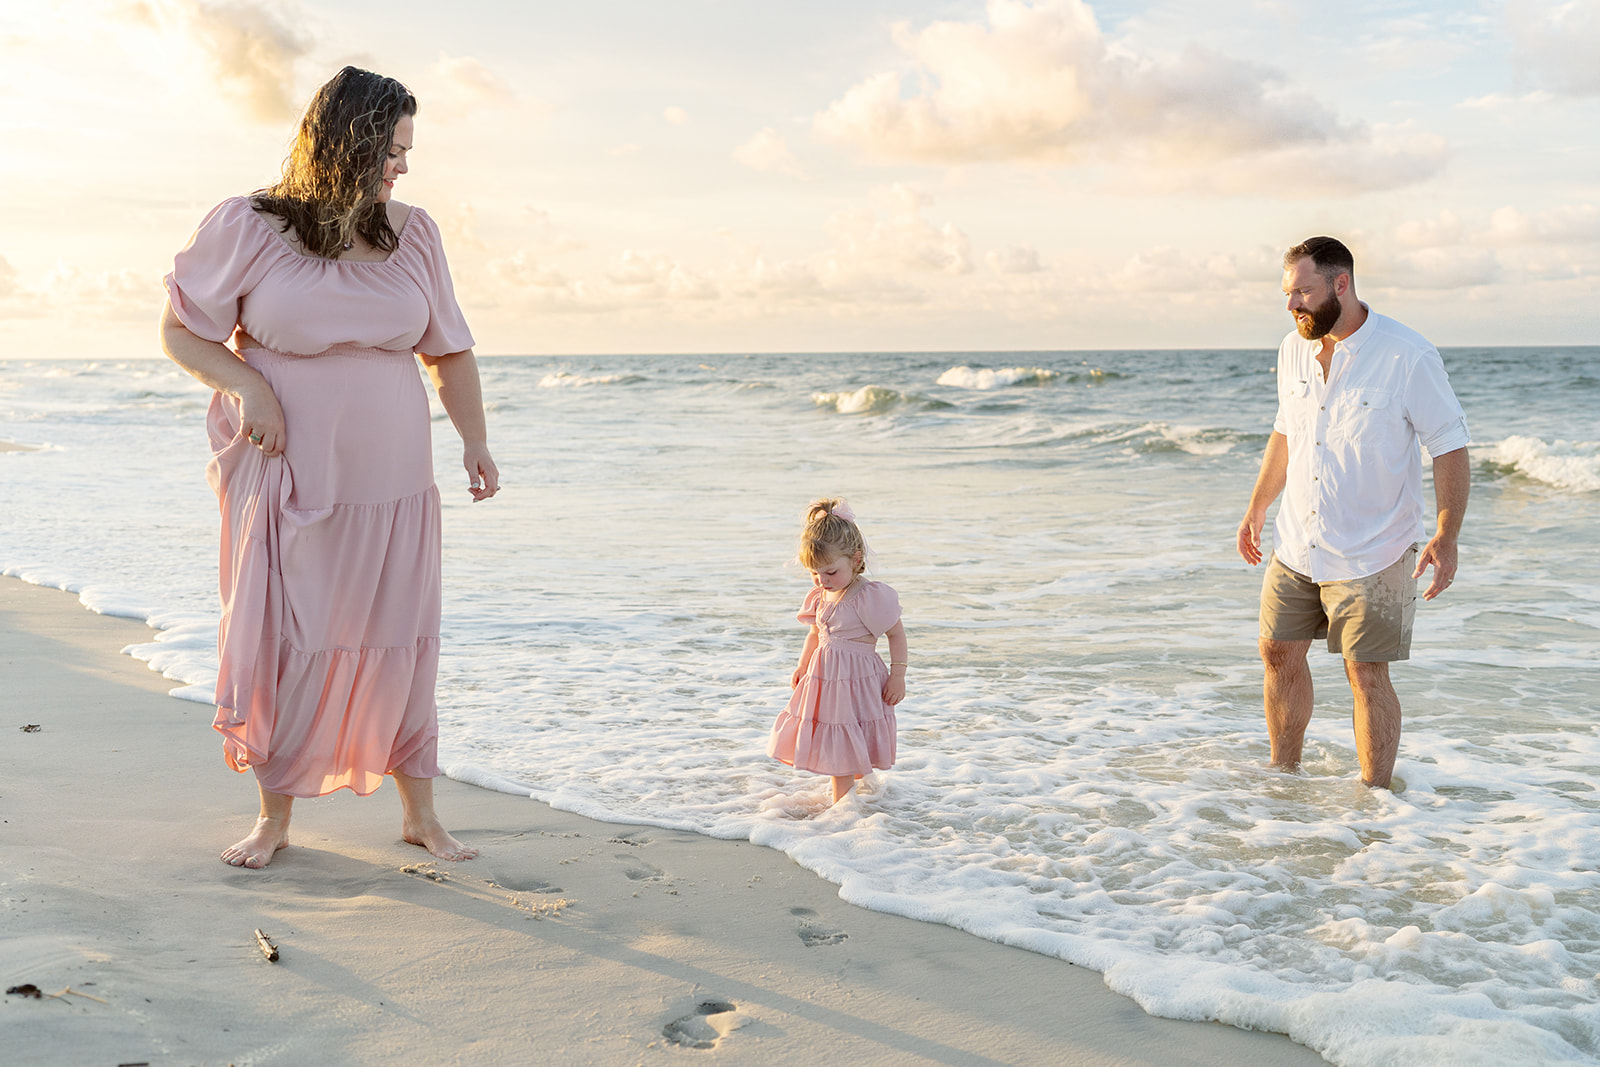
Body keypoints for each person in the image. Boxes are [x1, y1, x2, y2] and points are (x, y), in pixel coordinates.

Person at [159, 66, 500, 867]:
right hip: (290, 471)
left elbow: (449, 350)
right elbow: (182, 334)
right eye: (393, 148)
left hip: (395, 482)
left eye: (409, 150)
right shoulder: (247, 225)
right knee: (288, 635)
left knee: (401, 634)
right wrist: (248, 386)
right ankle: (275, 818)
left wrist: (475, 440)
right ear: (346, 142)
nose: (404, 167)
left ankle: (419, 811)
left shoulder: (414, 234)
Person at [1236, 236, 1470, 789]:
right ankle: (1283, 777)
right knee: (1277, 654)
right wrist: (1257, 507)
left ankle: (1375, 798)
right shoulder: (1292, 348)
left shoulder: (1408, 355)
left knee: (1365, 673)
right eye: (1287, 292)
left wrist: (1446, 532)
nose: (1293, 305)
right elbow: (1285, 432)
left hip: (1373, 549)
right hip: (1298, 543)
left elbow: (1450, 444)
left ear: (1341, 284)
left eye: (1303, 292)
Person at [768, 499, 907, 805]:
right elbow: (814, 634)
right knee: (839, 737)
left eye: (830, 572)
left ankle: (844, 808)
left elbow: (896, 634)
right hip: (826, 679)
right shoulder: (820, 596)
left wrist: (898, 675)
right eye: (814, 574)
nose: (822, 581)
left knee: (850, 733)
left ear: (856, 560)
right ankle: (852, 797)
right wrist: (803, 667)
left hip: (858, 679)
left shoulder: (868, 597)